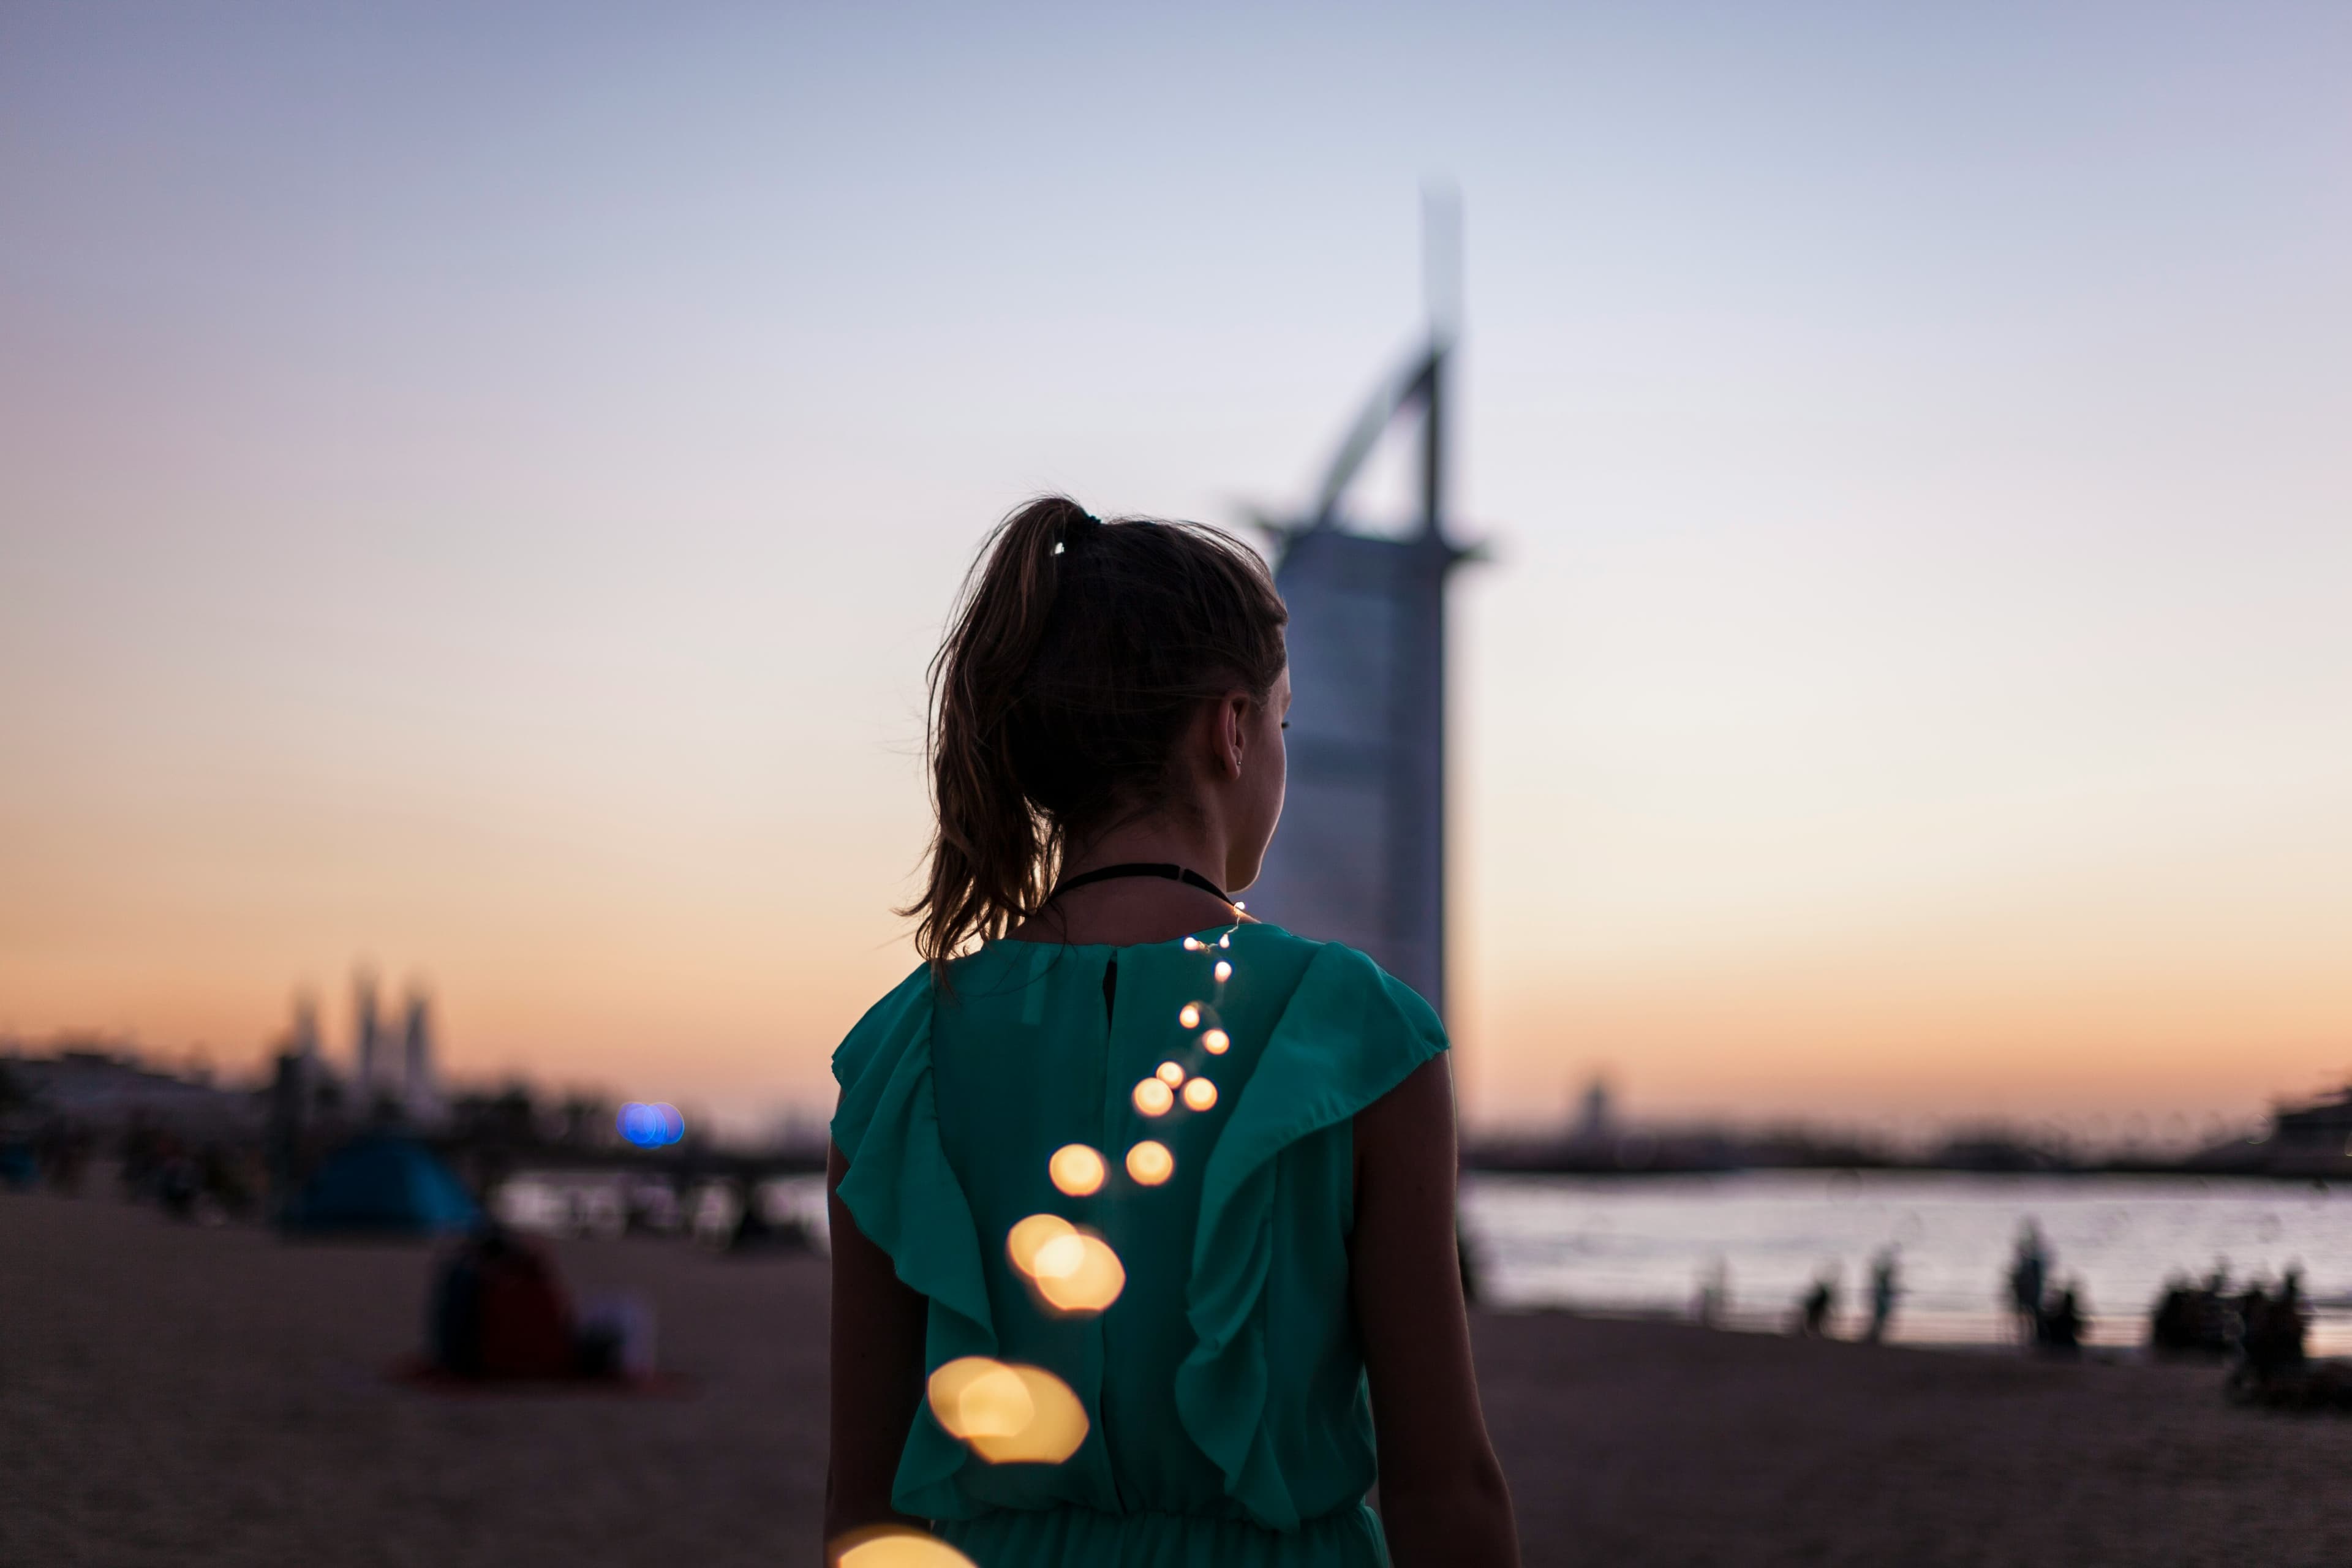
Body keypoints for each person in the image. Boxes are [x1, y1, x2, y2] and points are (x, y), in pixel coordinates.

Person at [824, 499, 1518, 1567]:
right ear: (1229, 731)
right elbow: (1445, 1485)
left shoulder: (900, 1054)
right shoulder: (1353, 1033)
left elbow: (865, 1503)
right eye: (1282, 722)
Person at [1865, 1247, 1901, 1344]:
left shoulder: (1883, 1282)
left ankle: (1875, 1336)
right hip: (1882, 1302)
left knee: (1879, 1319)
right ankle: (1875, 1337)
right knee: (1880, 1319)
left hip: (1883, 1301)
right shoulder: (1883, 1282)